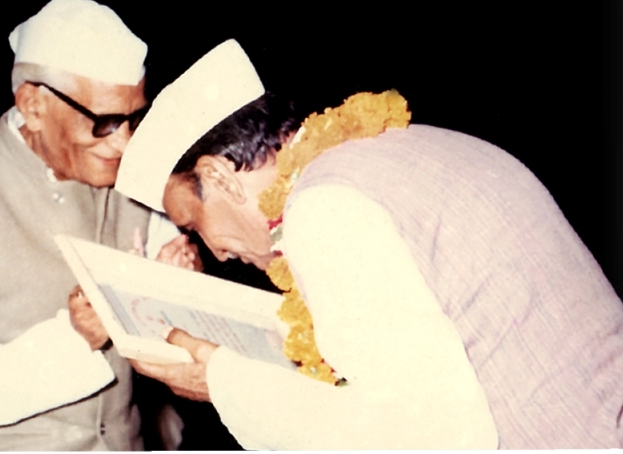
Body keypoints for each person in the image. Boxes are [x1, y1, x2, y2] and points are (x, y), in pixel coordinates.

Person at [110, 39, 623, 449]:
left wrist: (222, 381)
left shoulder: (325, 210)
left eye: (193, 223)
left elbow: (435, 434)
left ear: (220, 177)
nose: (218, 252)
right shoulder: (401, 148)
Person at [0, 0, 200, 450]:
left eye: (134, 118)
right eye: (104, 122)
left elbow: (174, 313)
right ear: (34, 106)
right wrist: (76, 340)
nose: (124, 143)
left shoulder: (131, 179)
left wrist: (180, 283)